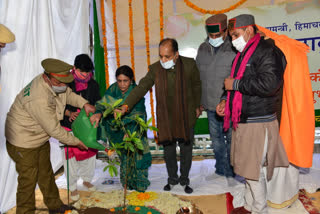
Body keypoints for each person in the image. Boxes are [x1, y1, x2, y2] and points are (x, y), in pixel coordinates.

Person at [216, 15, 289, 214]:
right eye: (231, 36)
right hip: (243, 119)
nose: (233, 41)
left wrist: (236, 85)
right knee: (248, 169)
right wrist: (225, 100)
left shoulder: (266, 51)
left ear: (249, 30)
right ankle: (249, 205)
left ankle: (259, 209)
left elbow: (270, 84)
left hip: (258, 121)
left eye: (235, 35)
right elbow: (233, 84)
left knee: (253, 171)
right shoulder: (244, 53)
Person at [5, 58, 95, 214]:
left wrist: (84, 103)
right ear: (47, 77)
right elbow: (55, 130)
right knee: (28, 180)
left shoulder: (55, 84)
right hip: (23, 141)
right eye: (59, 83)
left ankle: (55, 206)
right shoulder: (38, 97)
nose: (63, 86)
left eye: (64, 82)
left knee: (46, 173)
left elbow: (68, 94)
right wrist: (76, 142)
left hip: (38, 136)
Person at [113, 38, 201, 194]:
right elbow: (142, 87)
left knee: (186, 149)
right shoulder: (155, 69)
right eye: (161, 56)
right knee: (169, 150)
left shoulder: (189, 65)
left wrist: (197, 106)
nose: (163, 60)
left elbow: (196, 85)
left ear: (176, 55)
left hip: (186, 115)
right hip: (166, 117)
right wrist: (126, 105)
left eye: (167, 56)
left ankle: (185, 179)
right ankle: (172, 179)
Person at [90, 65, 152, 192]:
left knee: (137, 156)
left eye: (125, 81)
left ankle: (140, 183)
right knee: (125, 157)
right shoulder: (113, 89)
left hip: (134, 130)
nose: (122, 84)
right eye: (119, 81)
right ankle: (127, 183)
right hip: (118, 130)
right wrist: (99, 112)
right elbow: (103, 104)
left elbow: (139, 115)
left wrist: (130, 133)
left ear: (131, 80)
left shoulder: (136, 92)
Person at [196, 14, 236, 183]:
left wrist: (226, 99)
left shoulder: (234, 48)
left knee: (231, 141)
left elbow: (236, 77)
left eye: (217, 36)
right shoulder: (203, 48)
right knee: (217, 140)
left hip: (229, 104)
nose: (213, 39)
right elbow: (198, 76)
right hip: (210, 105)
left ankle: (232, 173)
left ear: (226, 31)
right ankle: (220, 170)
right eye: (211, 36)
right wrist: (199, 102)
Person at [60, 54, 101, 201]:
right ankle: (72, 187)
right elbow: (55, 103)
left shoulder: (93, 84)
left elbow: (97, 103)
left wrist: (95, 113)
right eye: (82, 72)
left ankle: (87, 179)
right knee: (70, 156)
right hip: (68, 125)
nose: (85, 75)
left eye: (88, 72)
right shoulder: (65, 83)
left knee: (89, 153)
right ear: (74, 68)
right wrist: (68, 113)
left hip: (87, 126)